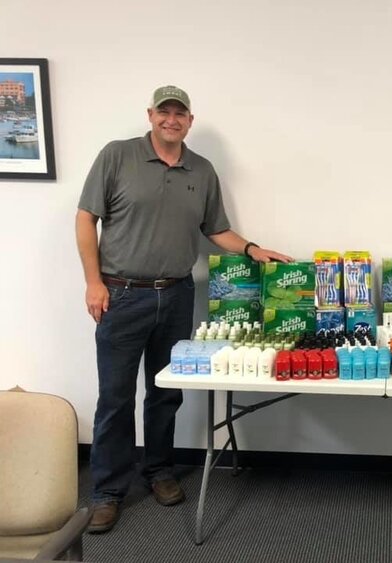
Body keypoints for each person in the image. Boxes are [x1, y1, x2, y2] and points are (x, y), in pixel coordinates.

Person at [75, 85, 292, 533]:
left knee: (166, 392)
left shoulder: (202, 170)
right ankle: (107, 492)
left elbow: (218, 230)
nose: (171, 120)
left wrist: (252, 248)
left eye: (181, 113)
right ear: (151, 115)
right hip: (121, 295)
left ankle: (159, 471)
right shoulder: (117, 156)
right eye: (164, 112)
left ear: (190, 120)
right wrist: (93, 282)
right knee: (115, 398)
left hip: (176, 294)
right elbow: (85, 218)